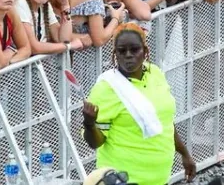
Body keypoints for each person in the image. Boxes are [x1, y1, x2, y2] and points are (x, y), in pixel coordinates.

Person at [83, 24, 197, 185]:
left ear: (145, 51)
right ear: (115, 54)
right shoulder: (107, 88)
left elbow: (164, 122)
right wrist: (89, 123)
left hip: (160, 177)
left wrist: (185, 154)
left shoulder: (155, 73)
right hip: (123, 180)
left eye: (134, 49)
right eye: (122, 51)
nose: (128, 55)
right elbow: (95, 143)